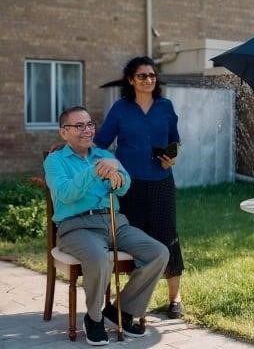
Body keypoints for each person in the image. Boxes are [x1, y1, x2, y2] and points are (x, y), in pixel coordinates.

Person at [44, 106, 169, 346]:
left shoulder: (105, 155)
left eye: (89, 124)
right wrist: (94, 172)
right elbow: (65, 194)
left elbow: (125, 186)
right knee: (100, 258)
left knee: (159, 252)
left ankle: (121, 310)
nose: (87, 130)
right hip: (76, 227)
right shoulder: (55, 161)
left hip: (115, 222)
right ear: (64, 133)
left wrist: (117, 178)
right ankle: (94, 318)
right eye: (79, 126)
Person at [94, 56, 185, 319]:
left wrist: (172, 158)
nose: (148, 80)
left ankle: (175, 298)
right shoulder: (120, 109)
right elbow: (101, 143)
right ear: (131, 80)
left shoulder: (166, 107)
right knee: (133, 239)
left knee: (168, 236)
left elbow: (175, 142)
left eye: (152, 75)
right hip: (128, 185)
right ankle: (133, 301)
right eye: (142, 76)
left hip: (161, 183)